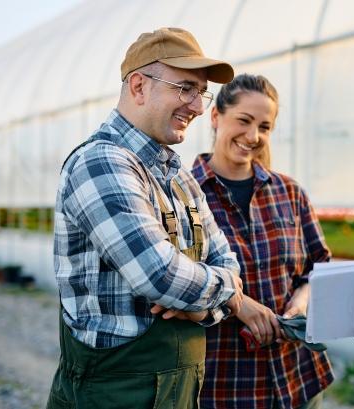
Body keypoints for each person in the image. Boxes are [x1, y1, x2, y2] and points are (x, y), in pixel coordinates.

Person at [47, 27, 244, 409]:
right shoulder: (101, 163)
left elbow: (230, 263)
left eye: (200, 92)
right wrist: (223, 293)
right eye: (185, 88)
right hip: (114, 395)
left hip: (178, 392)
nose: (198, 107)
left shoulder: (179, 176)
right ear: (139, 86)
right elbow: (161, 277)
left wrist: (203, 304)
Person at [191, 74, 333, 408]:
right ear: (215, 117)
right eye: (243, 120)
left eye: (264, 126)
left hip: (298, 376)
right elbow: (177, 283)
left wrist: (301, 301)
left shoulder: (289, 192)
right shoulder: (185, 195)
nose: (253, 136)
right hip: (226, 384)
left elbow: (319, 267)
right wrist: (238, 305)